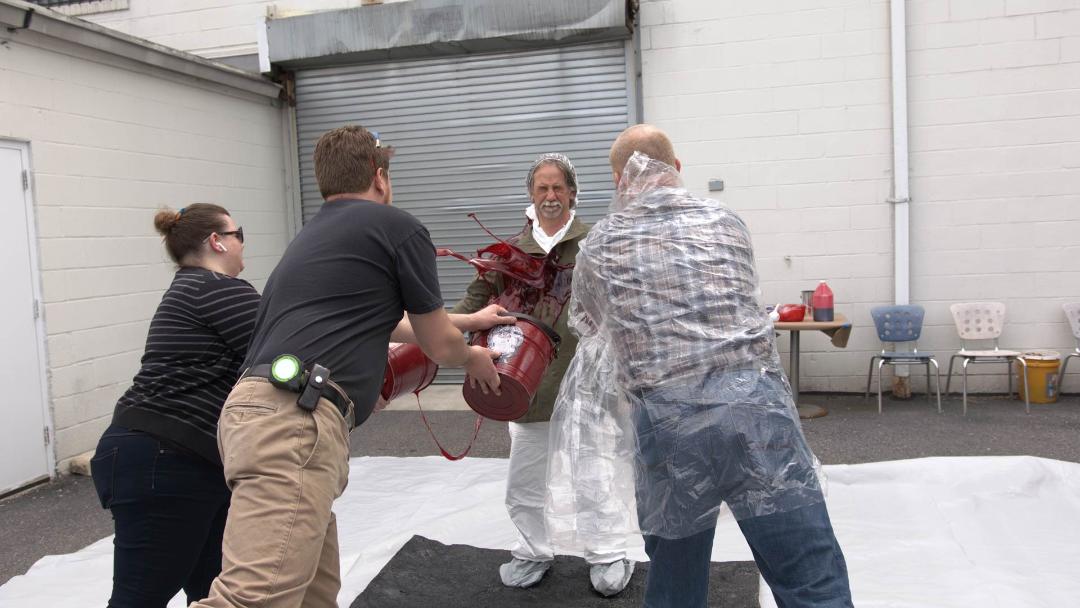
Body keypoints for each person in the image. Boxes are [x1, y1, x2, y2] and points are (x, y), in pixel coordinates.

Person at [192, 125, 507, 608]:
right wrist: (472, 356)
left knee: (314, 595)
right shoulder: (397, 228)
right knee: (252, 599)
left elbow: (384, 319)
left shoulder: (316, 237)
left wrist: (470, 319)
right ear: (380, 179)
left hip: (261, 415)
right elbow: (437, 343)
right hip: (292, 425)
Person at [566, 124, 854, 607]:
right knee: (808, 574)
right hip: (756, 411)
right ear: (675, 169)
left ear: (619, 181)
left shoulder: (600, 245)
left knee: (676, 579)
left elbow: (590, 324)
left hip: (667, 420)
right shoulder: (726, 221)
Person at [453, 153, 634, 596]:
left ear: (572, 193)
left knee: (594, 473)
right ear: (531, 195)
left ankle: (607, 551)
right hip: (528, 386)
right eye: (542, 188)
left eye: (558, 188)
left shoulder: (597, 242)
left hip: (588, 384)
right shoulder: (510, 253)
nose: (550, 196)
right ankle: (533, 549)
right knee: (526, 477)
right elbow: (470, 307)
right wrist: (429, 334)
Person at [90, 204, 259, 607]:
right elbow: (287, 349)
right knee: (140, 598)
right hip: (166, 458)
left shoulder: (191, 288)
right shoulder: (218, 289)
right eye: (239, 234)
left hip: (174, 458)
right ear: (218, 241)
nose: (241, 244)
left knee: (213, 589)